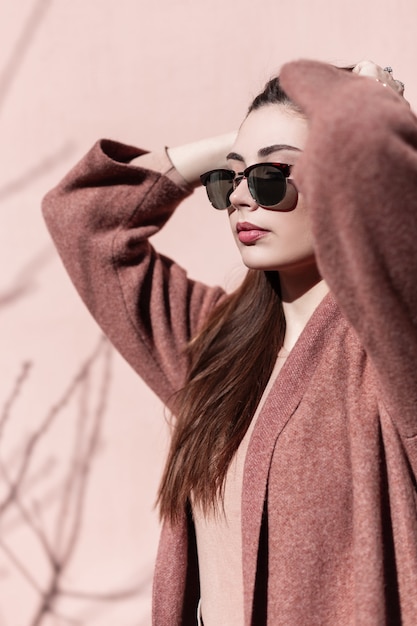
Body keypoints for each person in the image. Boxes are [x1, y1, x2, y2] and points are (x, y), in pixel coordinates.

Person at [42, 59, 417, 625]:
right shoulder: (215, 343)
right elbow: (85, 222)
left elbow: (382, 178)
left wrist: (356, 110)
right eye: (230, 178)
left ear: (344, 177)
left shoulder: (392, 349)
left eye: (272, 177)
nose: (242, 197)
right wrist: (241, 147)